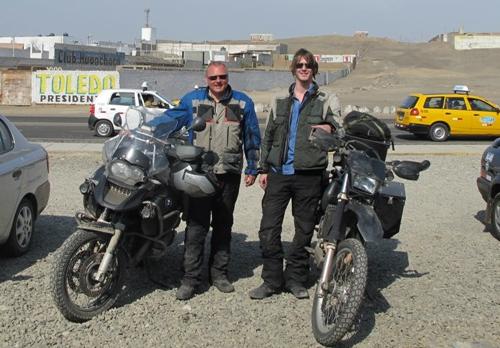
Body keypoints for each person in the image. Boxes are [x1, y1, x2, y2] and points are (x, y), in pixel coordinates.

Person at [149, 61, 261, 300]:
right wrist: (145, 128)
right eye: (213, 78)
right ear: (206, 78)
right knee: (196, 227)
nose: (218, 81)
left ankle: (219, 274)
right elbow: (170, 118)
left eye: (222, 77)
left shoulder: (242, 103)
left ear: (227, 77)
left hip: (228, 175)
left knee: (223, 226)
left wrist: (253, 167)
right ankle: (190, 279)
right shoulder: (193, 101)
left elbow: (252, 137)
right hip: (198, 174)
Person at [249, 48, 342, 300]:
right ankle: (271, 280)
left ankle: (296, 279)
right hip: (279, 173)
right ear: (293, 69)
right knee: (268, 228)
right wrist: (263, 168)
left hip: (309, 175)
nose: (304, 68)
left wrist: (329, 126)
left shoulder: (326, 98)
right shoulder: (279, 98)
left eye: (308, 65)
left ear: (314, 69)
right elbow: (268, 134)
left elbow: (339, 132)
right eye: (300, 64)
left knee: (303, 231)